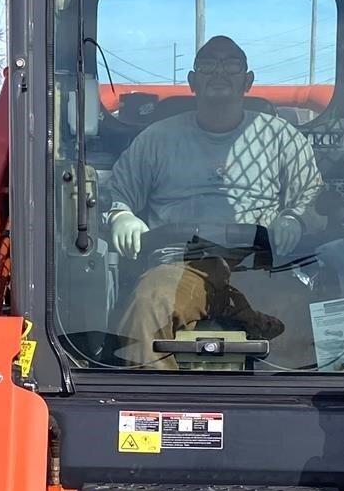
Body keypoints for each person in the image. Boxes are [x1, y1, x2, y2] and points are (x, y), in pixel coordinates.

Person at [102, 36, 326, 367]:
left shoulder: (281, 137)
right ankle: (150, 407)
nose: (219, 73)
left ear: (247, 81)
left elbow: (314, 200)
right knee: (149, 304)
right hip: (180, 261)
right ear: (192, 81)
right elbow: (116, 193)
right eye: (208, 65)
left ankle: (289, 409)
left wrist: (296, 219)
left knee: (297, 311)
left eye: (231, 65)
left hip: (259, 265)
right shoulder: (156, 139)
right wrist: (121, 216)